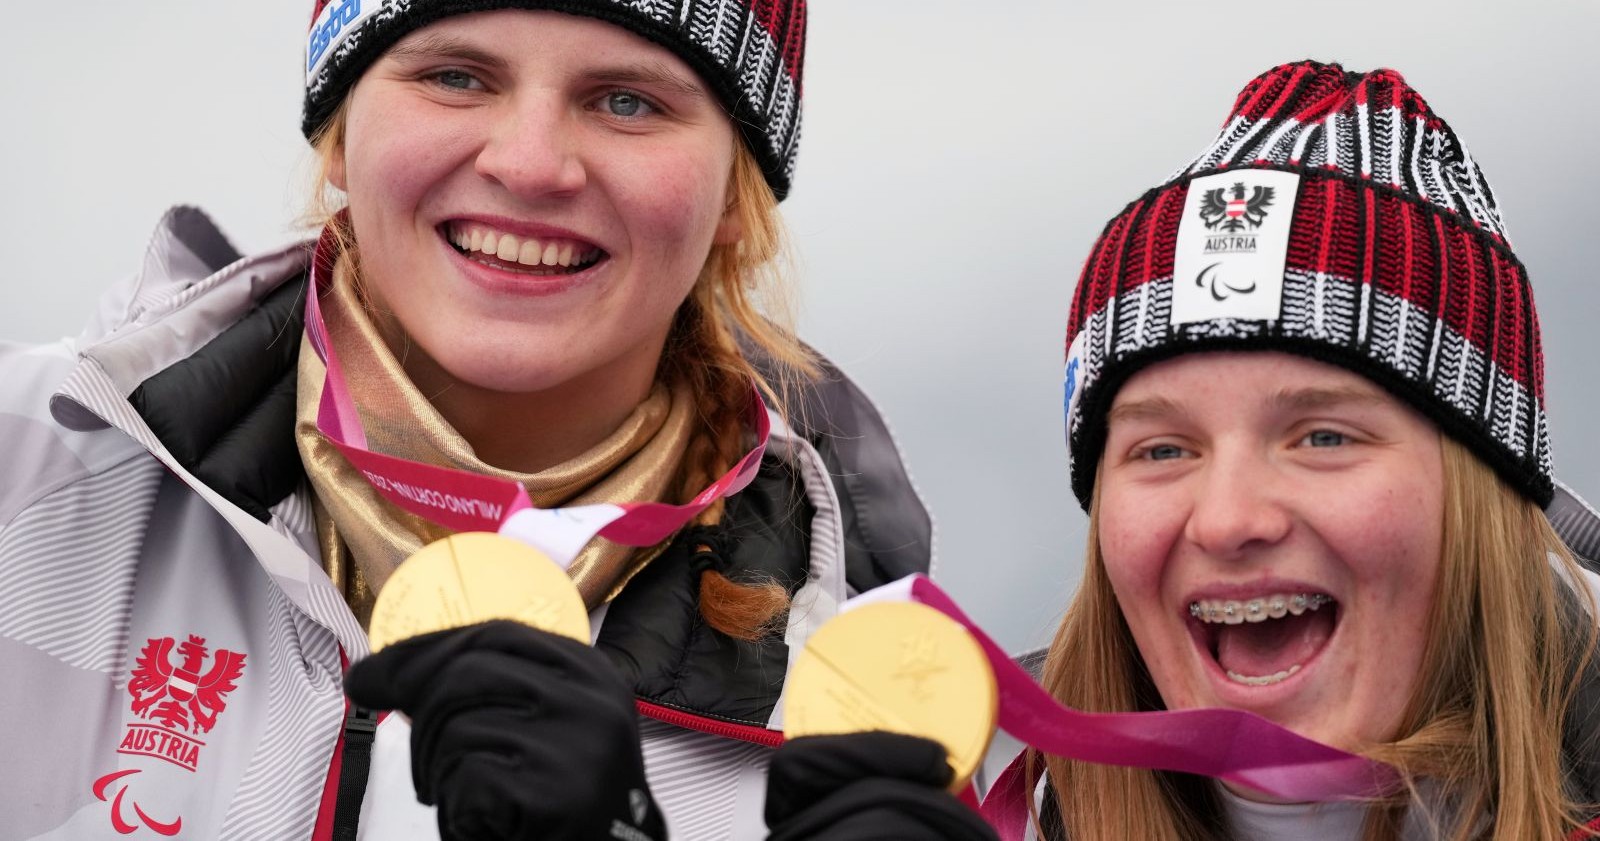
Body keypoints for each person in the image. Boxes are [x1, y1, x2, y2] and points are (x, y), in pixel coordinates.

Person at [0, 2, 935, 839]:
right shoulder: (27, 474)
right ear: (336, 135)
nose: (529, 165)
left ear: (736, 193)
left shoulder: (863, 703)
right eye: (456, 76)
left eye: (628, 102)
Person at [759, 60, 1600, 841]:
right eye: (1163, 450)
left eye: (1323, 436)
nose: (1229, 519)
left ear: (1484, 495)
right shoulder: (961, 801)